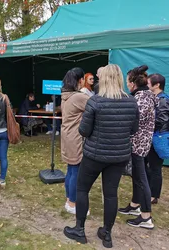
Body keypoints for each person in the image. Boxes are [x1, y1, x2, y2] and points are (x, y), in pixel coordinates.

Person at [63, 64, 139, 248]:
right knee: (111, 194)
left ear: (103, 80)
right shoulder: (131, 101)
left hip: (95, 155)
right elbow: (133, 130)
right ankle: (107, 234)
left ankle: (80, 230)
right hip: (119, 156)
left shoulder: (96, 101)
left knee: (82, 189)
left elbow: (84, 130)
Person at [118, 65, 156, 229]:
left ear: (133, 83)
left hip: (138, 145)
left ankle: (146, 216)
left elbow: (134, 122)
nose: (127, 84)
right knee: (137, 176)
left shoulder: (142, 98)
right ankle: (135, 205)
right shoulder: (142, 95)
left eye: (127, 81)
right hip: (139, 144)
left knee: (141, 178)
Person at [61, 68, 90, 214]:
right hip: (75, 137)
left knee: (71, 170)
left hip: (67, 136)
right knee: (76, 171)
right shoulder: (78, 97)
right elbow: (96, 106)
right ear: (80, 80)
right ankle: (72, 203)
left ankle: (69, 200)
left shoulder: (65, 95)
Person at [146, 73, 169, 204]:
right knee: (150, 167)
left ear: (157, 85)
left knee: (155, 168)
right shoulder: (156, 98)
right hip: (153, 136)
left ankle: (154, 196)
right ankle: (150, 192)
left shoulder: (163, 100)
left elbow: (162, 120)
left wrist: (148, 125)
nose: (147, 86)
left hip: (158, 137)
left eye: (149, 83)